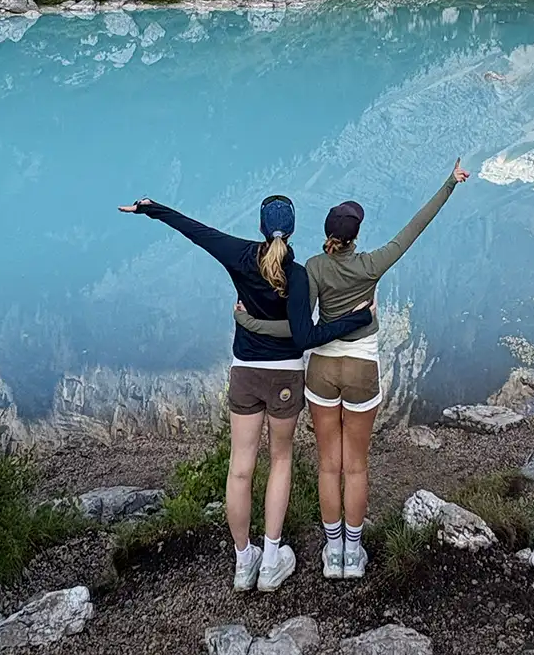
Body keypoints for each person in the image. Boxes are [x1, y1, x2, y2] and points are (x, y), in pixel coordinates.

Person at [121, 193, 375, 593]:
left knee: (240, 468)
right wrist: (359, 317)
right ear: (291, 231)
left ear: (260, 227)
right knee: (280, 460)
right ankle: (272, 561)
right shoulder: (297, 275)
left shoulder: (240, 255)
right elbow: (306, 337)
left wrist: (152, 209)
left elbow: (196, 232)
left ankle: (244, 562)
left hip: (245, 373)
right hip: (285, 378)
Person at [234, 159, 468, 579]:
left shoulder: (312, 268)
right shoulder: (372, 264)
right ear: (355, 236)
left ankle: (331, 552)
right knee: (355, 465)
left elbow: (297, 327)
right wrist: (449, 183)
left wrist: (248, 322)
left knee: (328, 464)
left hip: (322, 370)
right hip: (361, 368)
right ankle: (352, 556)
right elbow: (416, 228)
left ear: (328, 235)